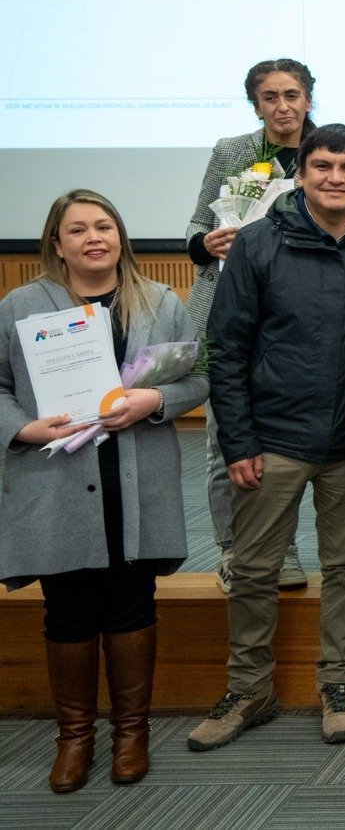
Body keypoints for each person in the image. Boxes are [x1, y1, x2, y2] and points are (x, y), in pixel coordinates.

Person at [188, 124, 345, 752]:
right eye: (323, 165)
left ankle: (338, 685)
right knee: (253, 572)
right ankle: (248, 690)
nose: (336, 177)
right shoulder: (256, 243)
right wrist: (238, 442)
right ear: (299, 174)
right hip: (270, 440)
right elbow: (225, 348)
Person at [0, 191, 209, 793]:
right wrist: (24, 428)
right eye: (78, 230)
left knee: (131, 602)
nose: (94, 237)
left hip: (135, 478)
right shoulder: (21, 305)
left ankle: (130, 733)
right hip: (56, 479)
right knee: (66, 607)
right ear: (56, 243)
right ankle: (74, 737)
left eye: (104, 226)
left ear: (120, 236)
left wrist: (156, 400)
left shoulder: (160, 301)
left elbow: (198, 378)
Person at [183, 58, 317, 594]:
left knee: (291, 448)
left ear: (308, 98)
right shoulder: (231, 152)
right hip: (231, 310)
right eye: (270, 97)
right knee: (227, 440)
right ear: (256, 105)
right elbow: (199, 222)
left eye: (292, 95)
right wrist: (205, 243)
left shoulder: (326, 151)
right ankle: (234, 551)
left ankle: (283, 549)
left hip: (297, 317)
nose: (282, 106)